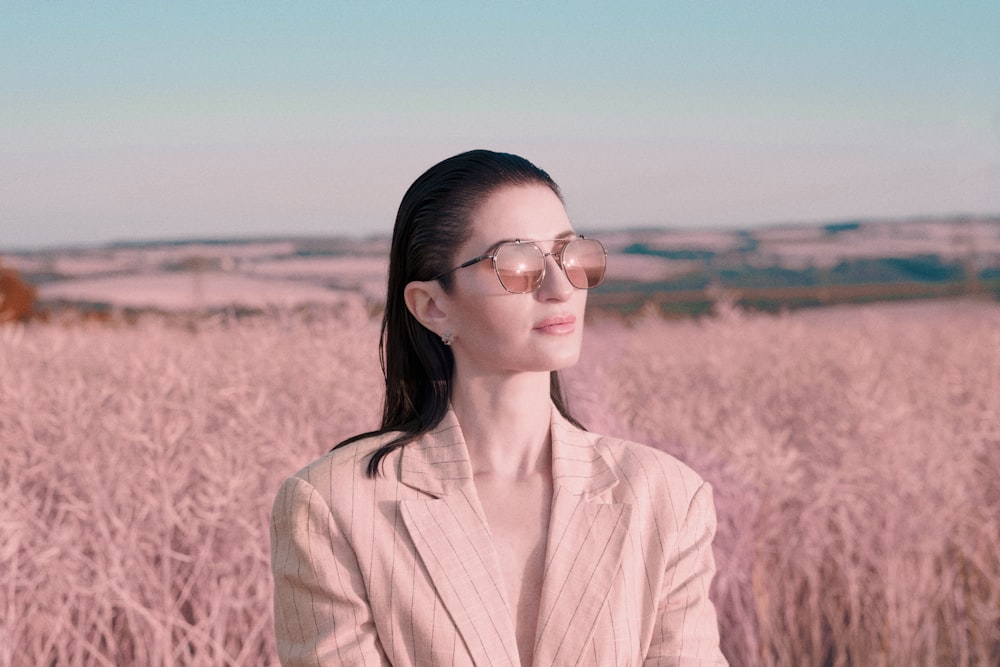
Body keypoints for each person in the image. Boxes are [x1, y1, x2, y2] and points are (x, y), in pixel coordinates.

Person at [270, 149, 728, 666]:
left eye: (570, 255)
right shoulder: (335, 504)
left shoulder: (666, 497)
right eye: (517, 263)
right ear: (432, 306)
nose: (560, 289)